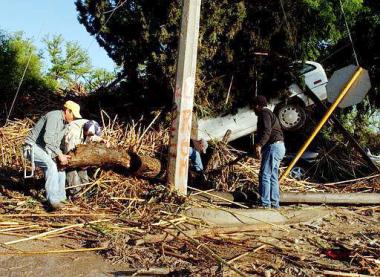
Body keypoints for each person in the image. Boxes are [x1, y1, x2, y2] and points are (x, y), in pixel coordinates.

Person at [24, 100, 82, 209]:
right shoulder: (54, 116)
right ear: (67, 111)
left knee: (60, 168)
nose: (74, 118)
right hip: (32, 147)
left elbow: (55, 144)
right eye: (73, 115)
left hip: (44, 149)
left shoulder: (65, 124)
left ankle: (61, 198)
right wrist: (59, 155)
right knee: (50, 166)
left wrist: (61, 156)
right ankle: (53, 201)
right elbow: (48, 139)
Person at [251, 95, 285, 208]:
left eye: (253, 107)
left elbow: (267, 131)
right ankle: (275, 204)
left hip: (273, 147)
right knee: (272, 176)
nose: (253, 110)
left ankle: (265, 204)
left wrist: (259, 145)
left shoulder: (264, 113)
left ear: (257, 106)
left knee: (265, 175)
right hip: (279, 147)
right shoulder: (270, 113)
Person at [64, 119, 106, 192]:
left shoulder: (89, 124)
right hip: (66, 150)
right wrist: (80, 162)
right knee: (71, 170)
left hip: (77, 149)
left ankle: (85, 189)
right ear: (86, 132)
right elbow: (69, 156)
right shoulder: (73, 135)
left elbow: (92, 135)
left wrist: (101, 140)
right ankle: (76, 193)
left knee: (84, 179)